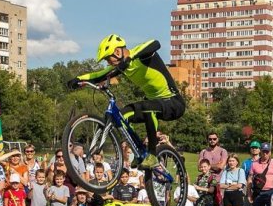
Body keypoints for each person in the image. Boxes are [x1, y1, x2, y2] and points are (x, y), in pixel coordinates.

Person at [67, 35, 186, 171]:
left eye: (108, 58)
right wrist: (77, 79)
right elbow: (98, 75)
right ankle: (139, 150)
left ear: (118, 52)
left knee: (147, 107)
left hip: (173, 103)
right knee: (122, 116)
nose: (108, 62)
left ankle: (152, 155)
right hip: (154, 103)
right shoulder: (121, 67)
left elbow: (155, 43)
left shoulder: (141, 55)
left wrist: (129, 59)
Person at [199, 132, 228, 206]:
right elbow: (199, 167)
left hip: (218, 182)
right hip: (205, 181)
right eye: (210, 139)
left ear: (217, 139)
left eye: (214, 139)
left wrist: (207, 166)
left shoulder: (222, 151)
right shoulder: (203, 151)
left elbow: (221, 166)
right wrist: (212, 166)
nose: (212, 140)